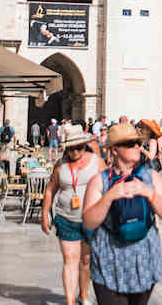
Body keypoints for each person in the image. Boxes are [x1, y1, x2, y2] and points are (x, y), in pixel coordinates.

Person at [83, 121, 162, 305]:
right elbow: (89, 221)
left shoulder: (151, 177)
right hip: (109, 261)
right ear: (115, 150)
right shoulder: (100, 181)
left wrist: (148, 193)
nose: (136, 147)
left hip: (143, 261)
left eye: (137, 143)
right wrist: (109, 197)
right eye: (129, 144)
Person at [43, 124, 105, 305]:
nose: (75, 151)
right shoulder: (61, 165)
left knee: (85, 260)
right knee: (70, 260)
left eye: (78, 147)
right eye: (71, 148)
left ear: (84, 146)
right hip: (65, 218)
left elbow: (109, 185)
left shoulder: (96, 162)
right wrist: (44, 214)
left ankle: (83, 295)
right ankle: (70, 301)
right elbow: (50, 190)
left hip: (90, 219)